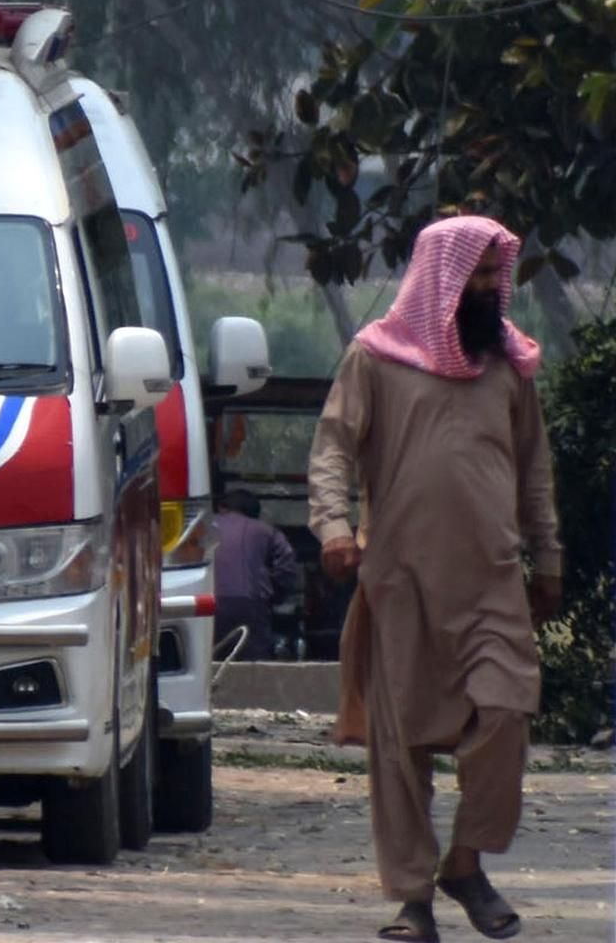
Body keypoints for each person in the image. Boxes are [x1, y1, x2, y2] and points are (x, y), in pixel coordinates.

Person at [307, 215, 563, 943]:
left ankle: (466, 861)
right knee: (402, 748)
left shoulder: (511, 367)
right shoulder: (375, 358)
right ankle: (413, 900)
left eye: (494, 273)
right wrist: (332, 528)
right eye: (476, 273)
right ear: (441, 277)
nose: (488, 287)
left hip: (492, 584)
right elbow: (333, 451)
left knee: (506, 714)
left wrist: (548, 560)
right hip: (401, 583)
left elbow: (534, 473)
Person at [209, 488, 300, 661]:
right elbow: (287, 567)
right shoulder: (267, 531)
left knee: (205, 662)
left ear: (222, 507)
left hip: (204, 603)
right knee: (252, 666)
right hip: (250, 604)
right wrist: (274, 595)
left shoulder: (203, 527)